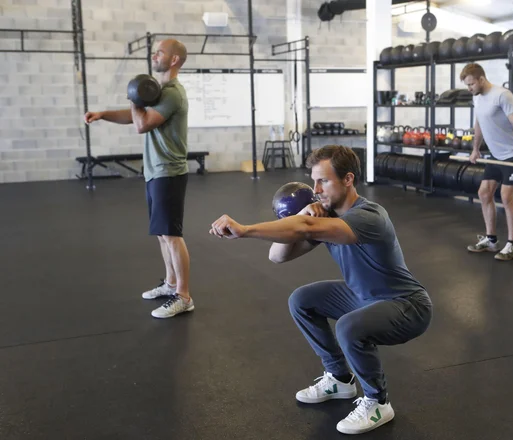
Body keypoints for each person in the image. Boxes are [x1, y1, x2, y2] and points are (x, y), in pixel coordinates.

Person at [209, 145, 433, 435]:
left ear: (348, 179)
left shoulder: (369, 216)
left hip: (407, 305)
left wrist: (246, 229)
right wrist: (306, 215)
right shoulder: (324, 217)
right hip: (363, 297)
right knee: (302, 300)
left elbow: (305, 227)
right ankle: (340, 379)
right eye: (313, 181)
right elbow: (277, 256)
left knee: (349, 327)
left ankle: (378, 402)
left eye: (323, 181)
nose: (315, 190)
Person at [84, 39, 194, 318]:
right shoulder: (160, 92)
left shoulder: (172, 94)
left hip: (168, 171)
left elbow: (142, 124)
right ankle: (170, 284)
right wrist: (103, 114)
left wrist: (135, 99)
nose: (154, 55)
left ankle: (183, 296)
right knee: (161, 234)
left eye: (160, 52)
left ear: (173, 61)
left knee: (171, 235)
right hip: (155, 172)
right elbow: (137, 116)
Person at [461, 63, 513, 261]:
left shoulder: (502, 95)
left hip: (512, 155)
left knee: (507, 198)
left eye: (471, 84)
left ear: (481, 79)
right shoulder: (477, 98)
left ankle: (511, 245)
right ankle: (491, 240)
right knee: (484, 193)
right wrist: (475, 149)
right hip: (496, 155)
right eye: (467, 85)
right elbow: (479, 124)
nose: (469, 88)